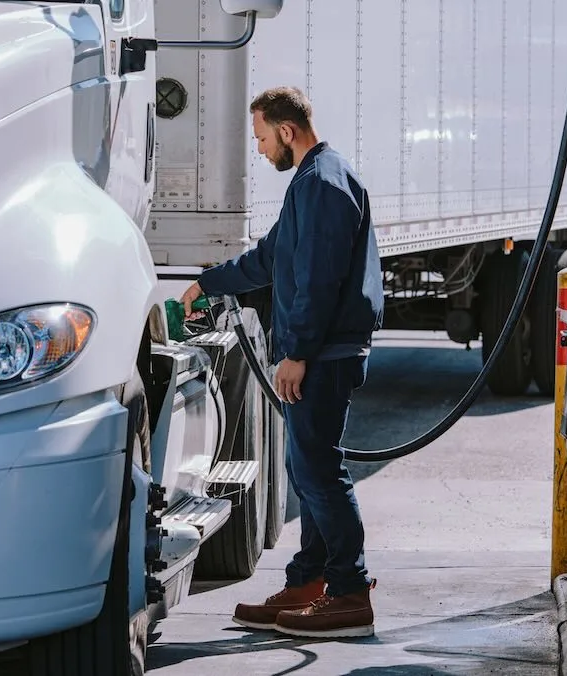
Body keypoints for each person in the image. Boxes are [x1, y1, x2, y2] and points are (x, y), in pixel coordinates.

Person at [179, 86, 384, 638]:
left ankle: (347, 591)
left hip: (324, 352)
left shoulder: (321, 184)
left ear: (287, 131)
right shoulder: (312, 182)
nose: (262, 148)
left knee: (319, 471)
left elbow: (319, 277)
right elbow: (270, 258)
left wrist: (297, 353)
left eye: (262, 137)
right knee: (308, 469)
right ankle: (309, 581)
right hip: (324, 349)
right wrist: (208, 283)